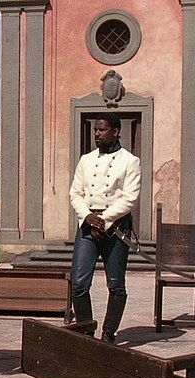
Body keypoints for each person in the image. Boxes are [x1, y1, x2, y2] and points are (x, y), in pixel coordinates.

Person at [69, 113, 141, 344]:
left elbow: (130, 198)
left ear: (116, 132)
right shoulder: (86, 160)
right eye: (95, 130)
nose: (97, 134)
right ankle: (86, 332)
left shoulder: (130, 161)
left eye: (102, 130)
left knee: (116, 284)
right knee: (79, 283)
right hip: (87, 226)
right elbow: (75, 193)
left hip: (116, 228)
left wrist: (104, 219)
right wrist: (88, 217)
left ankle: (109, 335)